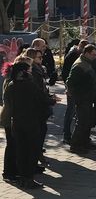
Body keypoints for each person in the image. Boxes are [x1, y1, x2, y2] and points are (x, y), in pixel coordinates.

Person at [2, 60, 56, 188]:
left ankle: (22, 177)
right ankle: (28, 178)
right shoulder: (29, 85)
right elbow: (43, 99)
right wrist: (52, 100)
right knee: (31, 150)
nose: (31, 72)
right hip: (30, 123)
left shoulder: (11, 85)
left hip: (16, 122)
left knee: (20, 151)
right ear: (23, 72)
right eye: (29, 70)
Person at [66, 44, 96, 155]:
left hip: (87, 97)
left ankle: (84, 142)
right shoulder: (80, 65)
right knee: (82, 122)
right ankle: (75, 145)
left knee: (87, 121)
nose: (95, 57)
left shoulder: (86, 63)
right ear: (86, 53)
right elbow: (70, 82)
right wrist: (76, 96)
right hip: (82, 98)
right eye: (93, 54)